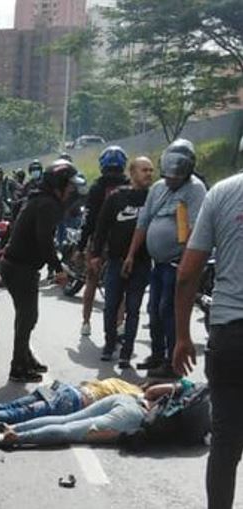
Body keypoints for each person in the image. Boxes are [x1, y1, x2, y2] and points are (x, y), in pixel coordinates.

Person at [173, 137, 243, 509]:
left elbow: (187, 275)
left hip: (230, 334)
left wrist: (182, 336)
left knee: (226, 443)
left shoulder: (221, 193)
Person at [125, 138, 206, 378]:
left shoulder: (195, 189)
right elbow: (143, 222)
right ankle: (157, 355)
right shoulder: (158, 188)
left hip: (177, 263)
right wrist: (131, 254)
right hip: (157, 263)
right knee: (153, 310)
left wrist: (186, 262)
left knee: (168, 310)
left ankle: (173, 360)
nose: (170, 180)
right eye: (168, 175)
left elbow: (195, 229)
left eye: (175, 177)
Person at [0, 159, 85, 382]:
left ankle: (25, 357)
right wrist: (57, 269)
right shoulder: (47, 204)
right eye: (70, 186)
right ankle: (18, 366)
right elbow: (44, 240)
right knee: (27, 317)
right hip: (20, 268)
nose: (72, 190)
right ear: (59, 185)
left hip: (18, 266)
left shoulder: (41, 199)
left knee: (27, 316)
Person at [91, 157, 154, 367]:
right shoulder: (116, 198)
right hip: (116, 261)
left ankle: (127, 352)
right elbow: (101, 228)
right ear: (133, 172)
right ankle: (109, 345)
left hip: (143, 263)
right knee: (110, 306)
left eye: (151, 170)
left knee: (134, 308)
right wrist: (95, 255)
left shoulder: (153, 198)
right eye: (144, 170)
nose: (148, 174)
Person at [77, 146, 129, 337]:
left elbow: (88, 219)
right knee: (121, 284)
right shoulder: (129, 186)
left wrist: (81, 246)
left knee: (91, 281)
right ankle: (120, 322)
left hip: (98, 242)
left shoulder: (97, 188)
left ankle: (86, 322)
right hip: (122, 242)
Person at [0, 377, 194, 425]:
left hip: (66, 390)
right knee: (14, 415)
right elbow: (153, 392)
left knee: (10, 407)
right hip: (72, 400)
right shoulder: (135, 394)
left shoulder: (119, 383)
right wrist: (181, 386)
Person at [0, 393, 147, 447]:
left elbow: (151, 391)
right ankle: (16, 437)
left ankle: (14, 427)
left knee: (65, 419)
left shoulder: (135, 390)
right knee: (69, 431)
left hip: (126, 398)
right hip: (136, 413)